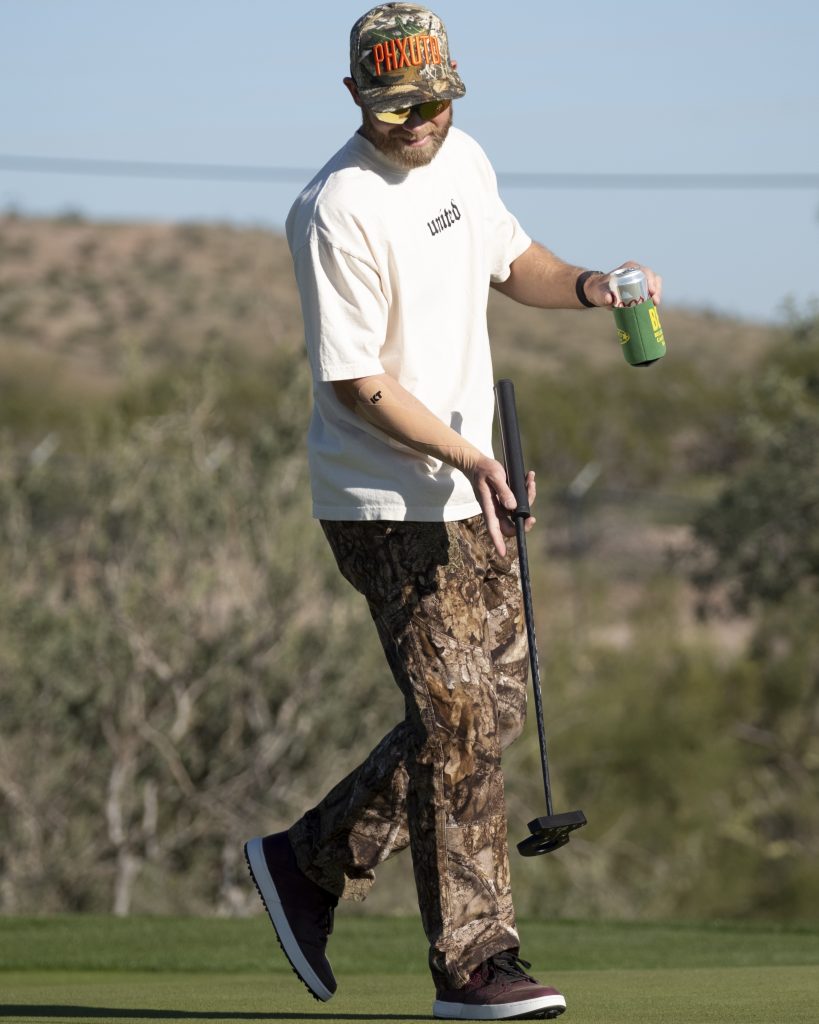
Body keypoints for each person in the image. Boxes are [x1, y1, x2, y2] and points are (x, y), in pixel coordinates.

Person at [244, 4, 662, 1019]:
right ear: (354, 96)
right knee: (461, 717)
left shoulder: (463, 159)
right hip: (384, 501)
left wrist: (593, 285)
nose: (418, 123)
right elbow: (357, 383)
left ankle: (308, 861)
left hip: (475, 488)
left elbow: (514, 263)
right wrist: (466, 454)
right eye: (394, 107)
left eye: (432, 102)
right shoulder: (336, 208)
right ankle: (475, 963)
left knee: (487, 712)